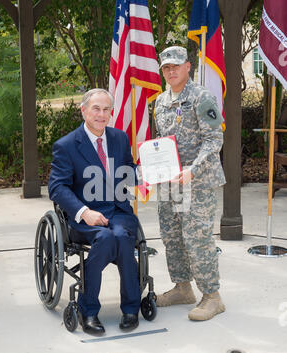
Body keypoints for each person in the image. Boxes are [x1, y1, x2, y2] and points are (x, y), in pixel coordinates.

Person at [48, 88, 140, 335]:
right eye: (96, 109)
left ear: (111, 113)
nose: (101, 114)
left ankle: (131, 308)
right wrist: (84, 211)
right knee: (107, 237)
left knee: (120, 235)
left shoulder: (120, 138)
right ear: (84, 110)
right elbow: (57, 187)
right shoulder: (66, 145)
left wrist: (152, 172)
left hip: (118, 212)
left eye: (106, 109)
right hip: (85, 217)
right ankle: (88, 310)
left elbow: (128, 172)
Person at [154, 46, 226, 321]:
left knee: (197, 239)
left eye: (175, 66)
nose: (171, 71)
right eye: (166, 68)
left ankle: (212, 296)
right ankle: (183, 288)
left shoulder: (201, 97)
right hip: (170, 182)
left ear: (187, 67)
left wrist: (192, 170)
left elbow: (214, 140)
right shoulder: (161, 101)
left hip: (198, 182)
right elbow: (161, 142)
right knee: (172, 237)